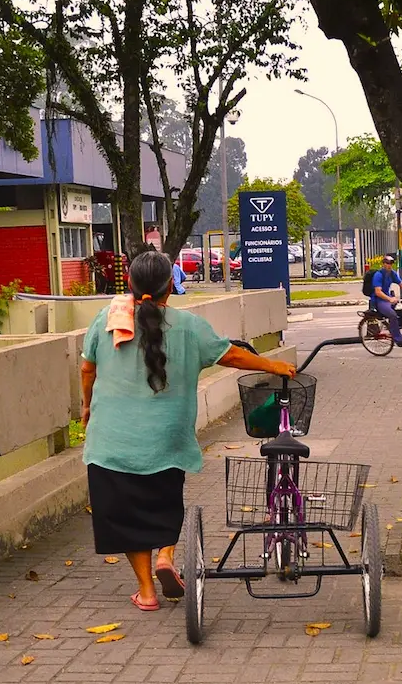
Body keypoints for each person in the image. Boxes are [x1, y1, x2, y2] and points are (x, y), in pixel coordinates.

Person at [80, 250, 296, 611]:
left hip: (112, 440)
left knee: (127, 515)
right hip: (166, 437)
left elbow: (88, 369)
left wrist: (86, 406)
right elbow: (232, 356)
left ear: (130, 284)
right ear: (171, 287)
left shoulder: (107, 318)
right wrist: (273, 364)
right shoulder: (189, 326)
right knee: (163, 502)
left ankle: (146, 592)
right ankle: (166, 554)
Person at [371, 253, 402, 348]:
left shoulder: (392, 274)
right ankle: (398, 340)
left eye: (391, 263)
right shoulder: (378, 275)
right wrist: (390, 299)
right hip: (379, 301)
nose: (389, 265)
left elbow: (401, 284)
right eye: (387, 263)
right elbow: (378, 292)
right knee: (392, 315)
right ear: (383, 264)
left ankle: (394, 329)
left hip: (387, 299)